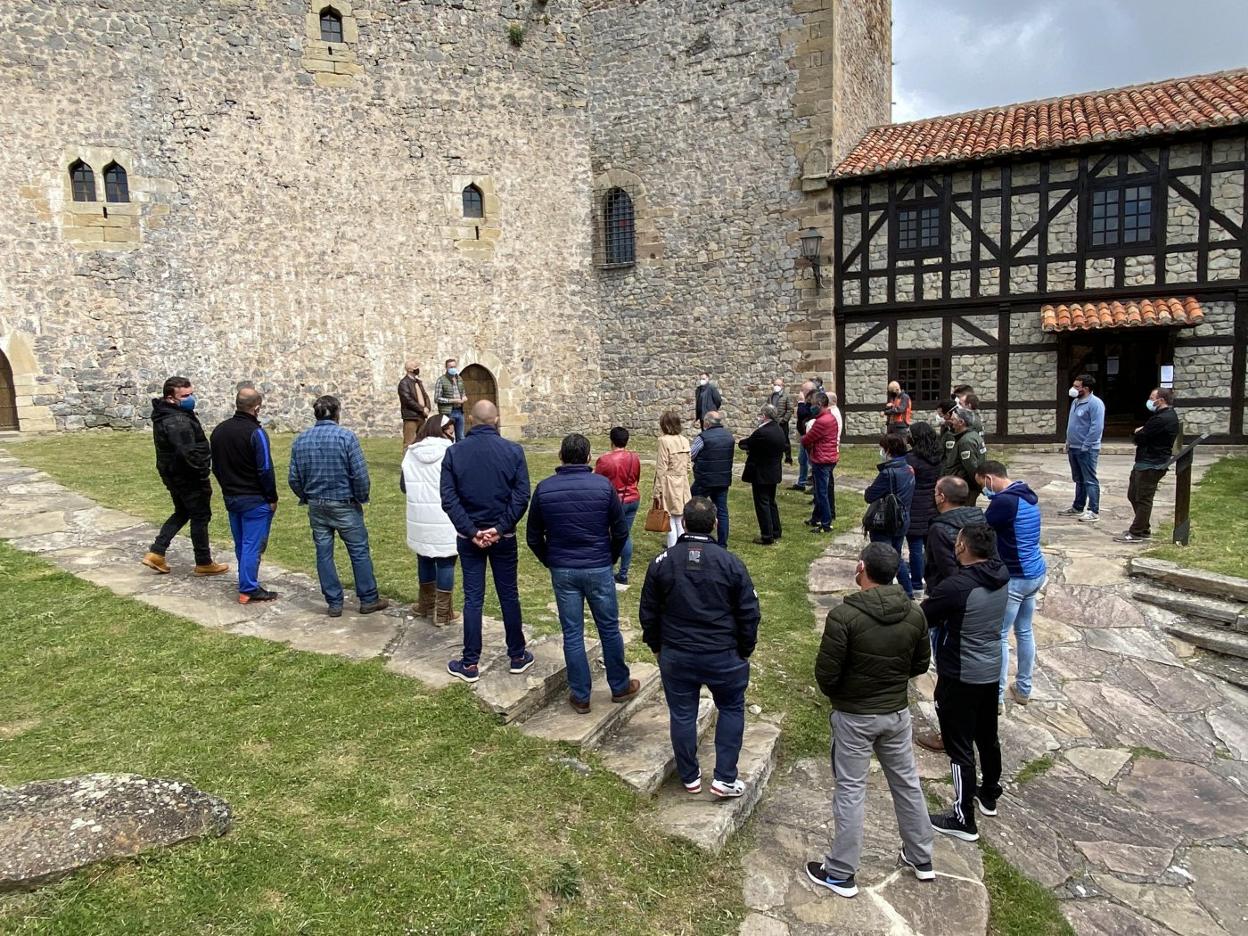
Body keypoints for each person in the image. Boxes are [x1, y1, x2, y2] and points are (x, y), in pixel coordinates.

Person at [806, 542, 934, 899]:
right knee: (907, 783)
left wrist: (847, 693)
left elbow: (827, 674)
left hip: (854, 716)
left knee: (850, 790)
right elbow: (920, 664)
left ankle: (841, 872)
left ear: (860, 568)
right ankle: (921, 857)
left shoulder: (844, 617)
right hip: (895, 713)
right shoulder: (914, 613)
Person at [640, 497, 760, 798]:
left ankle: (689, 776)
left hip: (677, 654)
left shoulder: (662, 563)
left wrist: (657, 646)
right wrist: (745, 649)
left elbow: (648, 611)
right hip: (723, 655)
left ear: (684, 523)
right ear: (715, 524)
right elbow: (749, 612)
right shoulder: (731, 563)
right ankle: (724, 778)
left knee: (682, 714)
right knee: (731, 708)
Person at [528, 433, 640, 714]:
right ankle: (619, 685)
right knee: (609, 628)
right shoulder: (602, 487)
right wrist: (610, 558)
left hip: (566, 568)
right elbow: (620, 531)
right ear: (589, 457)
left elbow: (533, 537)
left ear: (561, 456)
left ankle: (581, 694)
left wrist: (551, 560)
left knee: (573, 633)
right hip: (597, 566)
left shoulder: (545, 489)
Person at [922, 524, 1010, 843]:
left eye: (958, 541)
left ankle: (963, 818)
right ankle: (989, 795)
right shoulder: (1001, 574)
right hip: (990, 668)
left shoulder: (957, 587)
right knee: (988, 735)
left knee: (959, 745)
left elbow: (924, 617)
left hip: (960, 672)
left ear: (962, 547)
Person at [440, 400, 534, 682]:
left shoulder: (455, 453)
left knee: (473, 599)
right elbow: (521, 495)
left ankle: (470, 663)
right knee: (508, 595)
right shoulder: (513, 451)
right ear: (496, 419)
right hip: (501, 536)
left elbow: (449, 498)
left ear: (470, 418)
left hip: (471, 538)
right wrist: (499, 527)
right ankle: (517, 655)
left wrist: (471, 531)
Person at [288, 396, 388, 617]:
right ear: (337, 413)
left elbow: (294, 478)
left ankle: (334, 602)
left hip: (317, 504)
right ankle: (368, 598)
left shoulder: (301, 440)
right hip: (344, 503)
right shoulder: (346, 437)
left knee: (324, 553)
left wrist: (306, 496)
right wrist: (360, 497)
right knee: (358, 551)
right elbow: (360, 474)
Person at [915, 476, 989, 754]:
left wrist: (941, 602)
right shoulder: (979, 519)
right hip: (980, 601)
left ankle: (949, 735)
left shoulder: (939, 529)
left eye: (936, 491)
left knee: (946, 673)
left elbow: (949, 572)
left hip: (949, 604)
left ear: (941, 497)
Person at [142, 376, 229, 577]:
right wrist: (202, 472)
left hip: (173, 473)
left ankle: (157, 551)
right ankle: (204, 561)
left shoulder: (169, 414)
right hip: (187, 476)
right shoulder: (177, 420)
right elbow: (187, 452)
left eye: (191, 394)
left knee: (182, 511)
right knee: (200, 515)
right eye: (186, 396)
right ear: (171, 398)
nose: (191, 398)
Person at [976, 460, 1046, 707]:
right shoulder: (1025, 493)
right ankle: (1024, 688)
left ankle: (995, 699)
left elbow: (980, 532)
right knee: (1025, 631)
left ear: (989, 479)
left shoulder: (1004, 502)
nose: (984, 491)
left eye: (982, 485)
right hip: (1036, 572)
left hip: (1016, 576)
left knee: (999, 637)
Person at [210, 387, 279, 604]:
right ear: (256, 407)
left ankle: (246, 580)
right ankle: (249, 587)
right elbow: (265, 468)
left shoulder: (219, 431)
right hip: (254, 498)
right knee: (252, 544)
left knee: (241, 543)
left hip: (232, 496)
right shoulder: (256, 433)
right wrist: (271, 497)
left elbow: (216, 466)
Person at [401, 415, 460, 625]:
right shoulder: (451, 452)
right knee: (445, 561)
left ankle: (426, 605)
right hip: (444, 515)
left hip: (420, 514)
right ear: (441, 431)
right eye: (449, 431)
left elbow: (403, 485)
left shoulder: (411, 453)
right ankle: (442, 613)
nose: (452, 435)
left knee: (424, 557)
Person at [1116, 388, 1181, 544]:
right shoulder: (1160, 417)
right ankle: (1143, 527)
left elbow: (1140, 437)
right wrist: (1140, 432)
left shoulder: (1162, 419)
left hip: (1152, 463)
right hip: (1145, 461)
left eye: (1152, 398)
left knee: (1143, 497)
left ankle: (1136, 532)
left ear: (1161, 400)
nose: (1150, 401)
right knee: (1133, 494)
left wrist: (1138, 432)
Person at [863, 434, 916, 597]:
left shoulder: (888, 473)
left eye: (882, 448)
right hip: (902, 519)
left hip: (886, 522)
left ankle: (891, 594)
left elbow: (870, 496)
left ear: (888, 450)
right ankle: (907, 592)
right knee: (896, 555)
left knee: (884, 559)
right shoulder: (908, 468)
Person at [594, 427, 642, 589]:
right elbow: (637, 477)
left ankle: (609, 570)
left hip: (615, 501)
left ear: (611, 440)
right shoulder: (634, 458)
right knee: (625, 535)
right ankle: (623, 572)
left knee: (608, 536)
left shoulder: (605, 460)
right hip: (633, 498)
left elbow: (597, 482)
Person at [1060, 374, 1105, 523]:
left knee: (1089, 480)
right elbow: (1072, 424)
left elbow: (1096, 427)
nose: (1073, 389)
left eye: (1077, 386)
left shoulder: (1095, 404)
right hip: (1073, 446)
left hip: (1087, 449)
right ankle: (1078, 506)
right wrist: (1068, 441)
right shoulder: (1075, 402)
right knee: (1078, 479)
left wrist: (1086, 445)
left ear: (1085, 388)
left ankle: (1093, 510)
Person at [738, 404, 786, 545]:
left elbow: (746, 443)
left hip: (761, 473)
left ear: (764, 416)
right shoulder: (779, 429)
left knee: (762, 503)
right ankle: (776, 530)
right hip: (773, 471)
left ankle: (767, 535)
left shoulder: (762, 432)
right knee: (771, 502)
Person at [904, 422, 942, 595]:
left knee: (915, 548)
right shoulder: (938, 456)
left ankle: (917, 582)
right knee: (931, 546)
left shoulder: (911, 459)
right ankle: (933, 581)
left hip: (914, 505)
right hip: (933, 504)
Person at [690, 410, 734, 547]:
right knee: (722, 511)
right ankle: (722, 543)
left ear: (707, 423)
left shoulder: (703, 437)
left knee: (694, 507)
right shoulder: (729, 437)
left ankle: (694, 536)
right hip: (722, 478)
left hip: (704, 479)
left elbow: (691, 455)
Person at [803, 391, 840, 533]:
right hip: (829, 457)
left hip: (822, 460)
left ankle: (826, 523)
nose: (811, 407)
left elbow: (806, 439)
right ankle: (816, 518)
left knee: (821, 493)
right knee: (822, 490)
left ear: (819, 404)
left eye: (812, 404)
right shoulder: (830, 417)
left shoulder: (822, 421)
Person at [655, 410, 693, 548]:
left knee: (670, 521)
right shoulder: (684, 440)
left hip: (669, 482)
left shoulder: (663, 441)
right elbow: (689, 465)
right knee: (680, 520)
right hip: (682, 482)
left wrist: (657, 491)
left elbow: (661, 467)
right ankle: (681, 549)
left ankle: (673, 551)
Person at [942, 405, 987, 503]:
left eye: (953, 420)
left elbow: (971, 467)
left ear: (961, 422)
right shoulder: (973, 435)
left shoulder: (966, 441)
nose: (951, 423)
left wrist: (978, 487)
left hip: (965, 487)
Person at [398, 360, 432, 447]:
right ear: (409, 369)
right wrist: (422, 409)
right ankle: (407, 460)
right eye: (415, 367)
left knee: (422, 443)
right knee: (409, 443)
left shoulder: (418, 382)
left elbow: (425, 396)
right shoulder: (404, 383)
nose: (417, 369)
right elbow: (407, 400)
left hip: (421, 417)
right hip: (411, 417)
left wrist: (427, 407)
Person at [434, 358, 469, 442]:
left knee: (461, 436)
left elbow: (463, 392)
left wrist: (464, 397)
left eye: (454, 366)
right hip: (448, 412)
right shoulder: (441, 380)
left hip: (459, 411)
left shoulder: (459, 379)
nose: (453, 368)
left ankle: (460, 454)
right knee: (448, 436)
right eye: (450, 367)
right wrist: (452, 401)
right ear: (446, 368)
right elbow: (437, 398)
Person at [792, 380, 816, 491]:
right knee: (802, 459)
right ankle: (802, 482)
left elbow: (802, 413)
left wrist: (801, 402)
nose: (801, 392)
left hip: (809, 436)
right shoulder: (808, 401)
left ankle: (812, 483)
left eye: (803, 390)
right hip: (804, 435)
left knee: (811, 461)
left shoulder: (813, 402)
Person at [769, 377, 794, 465]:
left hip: (782, 422)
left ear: (782, 386)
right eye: (775, 384)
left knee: (785, 440)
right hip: (773, 422)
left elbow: (790, 409)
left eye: (778, 385)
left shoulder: (786, 396)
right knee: (772, 440)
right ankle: (774, 457)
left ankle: (788, 458)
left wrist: (784, 420)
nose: (776, 386)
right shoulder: (771, 395)